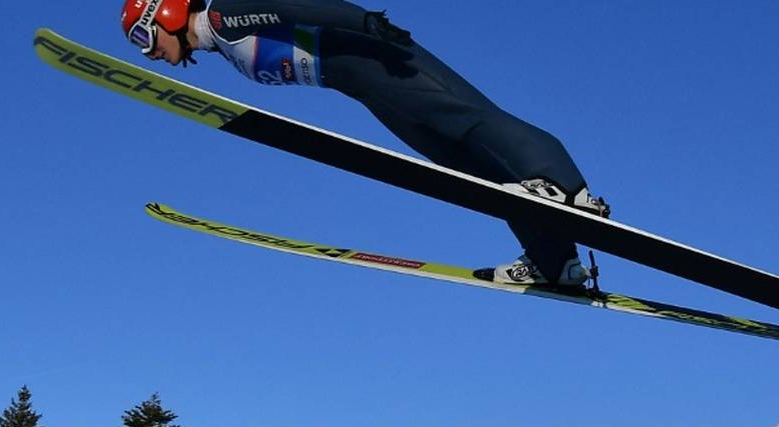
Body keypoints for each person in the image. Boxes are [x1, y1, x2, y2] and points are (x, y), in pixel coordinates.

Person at [119, 0, 610, 287]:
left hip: (379, 59)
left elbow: (295, 5)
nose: (150, 53)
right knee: (467, 167)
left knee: (469, 120)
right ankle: (554, 262)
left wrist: (365, 23)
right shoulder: (221, 43)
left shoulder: (224, 17)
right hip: (364, 86)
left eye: (145, 38)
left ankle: (565, 187)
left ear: (165, 10)